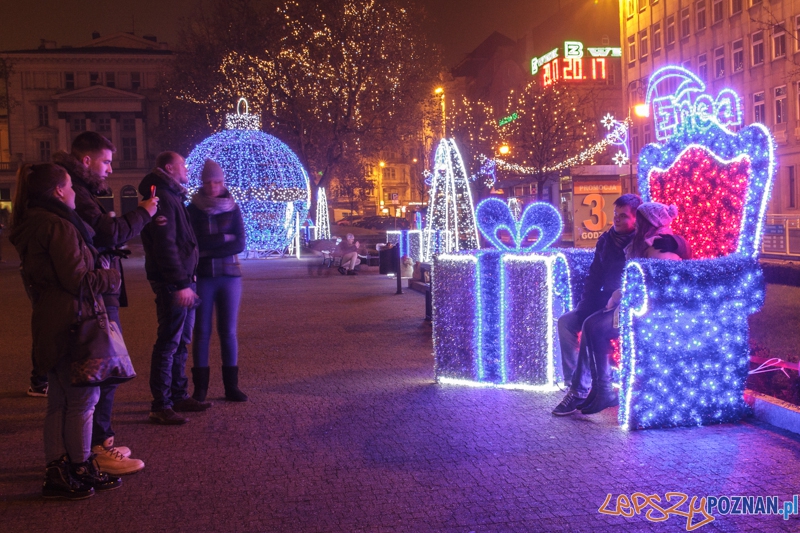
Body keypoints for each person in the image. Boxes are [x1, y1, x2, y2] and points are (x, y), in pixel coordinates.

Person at [10, 163, 122, 499]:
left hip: (53, 318)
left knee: (60, 400)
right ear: (59, 191)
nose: (75, 192)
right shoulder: (57, 225)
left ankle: (58, 469)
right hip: (73, 319)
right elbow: (77, 279)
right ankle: (79, 464)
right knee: (83, 399)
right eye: (70, 185)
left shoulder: (35, 222)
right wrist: (110, 275)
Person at [52, 131, 155, 475]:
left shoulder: (80, 193)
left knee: (97, 375)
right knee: (103, 371)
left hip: (98, 289)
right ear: (86, 160)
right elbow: (106, 234)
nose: (111, 169)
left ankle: (97, 444)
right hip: (94, 292)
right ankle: (96, 448)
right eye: (106, 161)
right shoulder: (76, 196)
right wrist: (142, 212)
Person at [552, 194, 692, 417]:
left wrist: (676, 242)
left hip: (626, 303)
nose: (616, 220)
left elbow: (674, 246)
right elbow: (594, 276)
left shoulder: (644, 237)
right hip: (607, 300)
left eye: (623, 216)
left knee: (593, 326)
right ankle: (576, 385)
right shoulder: (607, 239)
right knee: (567, 322)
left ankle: (584, 390)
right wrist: (585, 306)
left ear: (637, 218)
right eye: (615, 215)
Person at [139, 151, 207, 425]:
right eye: (183, 166)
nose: (187, 170)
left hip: (183, 279)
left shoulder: (172, 194)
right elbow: (165, 245)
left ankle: (178, 395)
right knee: (169, 342)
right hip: (173, 282)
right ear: (169, 167)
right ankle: (161, 404)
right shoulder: (164, 198)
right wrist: (179, 283)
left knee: (181, 341)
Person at [187, 159, 248, 402]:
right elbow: (194, 244)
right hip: (203, 276)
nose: (213, 186)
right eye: (208, 182)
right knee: (201, 331)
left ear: (223, 182)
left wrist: (208, 246)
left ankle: (230, 387)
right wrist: (224, 237)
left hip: (230, 276)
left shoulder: (233, 207)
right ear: (202, 183)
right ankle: (200, 389)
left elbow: (240, 243)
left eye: (217, 182)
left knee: (228, 332)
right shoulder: (192, 210)